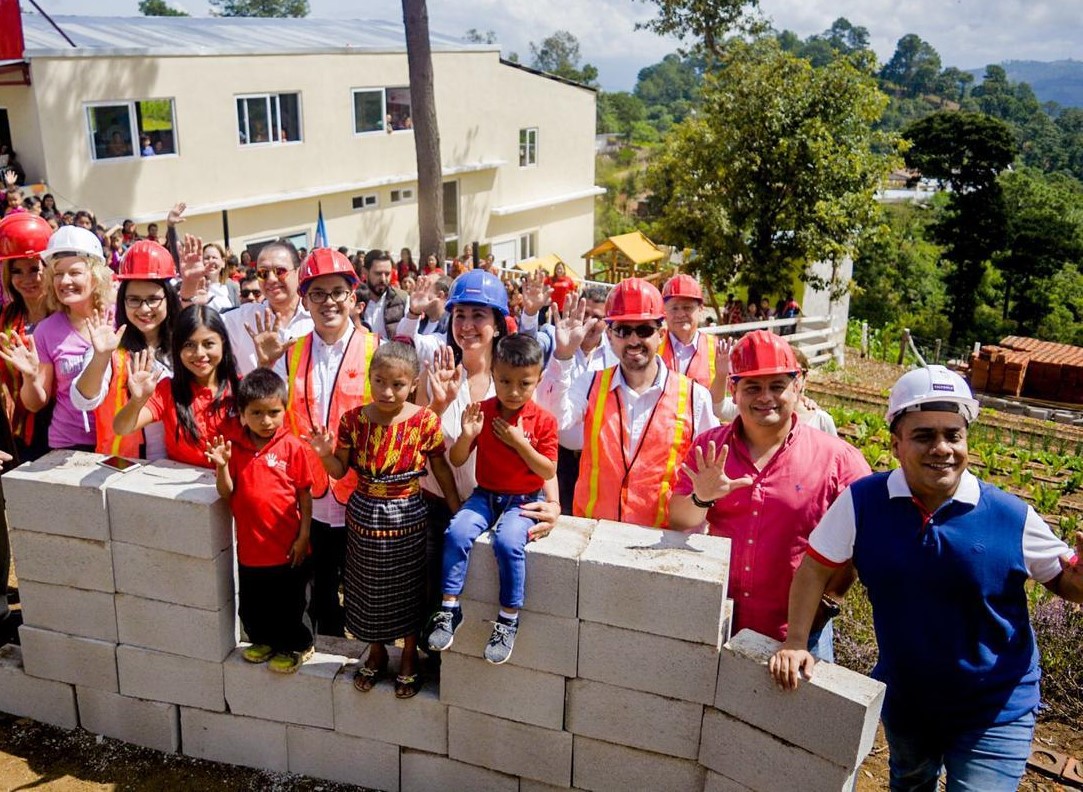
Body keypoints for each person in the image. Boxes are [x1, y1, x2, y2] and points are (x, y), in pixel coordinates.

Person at [769, 365, 1083, 792]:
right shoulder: (864, 503)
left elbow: (1067, 584)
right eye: (924, 436)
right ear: (896, 444)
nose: (942, 448)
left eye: (954, 435)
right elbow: (815, 568)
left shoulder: (1009, 516)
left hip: (995, 705)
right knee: (910, 782)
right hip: (908, 698)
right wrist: (796, 641)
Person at [668, 330, 869, 657]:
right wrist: (701, 498)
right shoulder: (710, 447)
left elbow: (861, 545)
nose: (765, 397)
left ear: (797, 385)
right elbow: (679, 520)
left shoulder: (839, 460)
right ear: (733, 390)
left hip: (802, 636)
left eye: (777, 386)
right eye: (753, 387)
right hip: (721, 623)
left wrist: (828, 604)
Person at [397, 270, 562, 644]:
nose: (467, 326)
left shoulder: (517, 379)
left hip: (496, 508)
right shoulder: (436, 374)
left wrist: (552, 504)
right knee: (429, 609)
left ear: (498, 323)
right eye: (460, 315)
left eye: (478, 316)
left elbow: (539, 444)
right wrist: (436, 406)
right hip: (438, 509)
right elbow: (416, 446)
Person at [308, 342, 459, 698]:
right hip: (363, 514)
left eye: (398, 384)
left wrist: (456, 508)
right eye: (379, 381)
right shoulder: (353, 420)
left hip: (408, 513)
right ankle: (375, 652)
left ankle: (408, 655)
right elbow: (339, 469)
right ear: (370, 380)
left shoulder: (424, 421)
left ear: (413, 383)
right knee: (367, 589)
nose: (387, 391)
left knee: (408, 589)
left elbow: (440, 466)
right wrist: (322, 452)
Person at [252, 248, 379, 639]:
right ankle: (325, 660)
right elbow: (269, 411)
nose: (329, 302)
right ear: (305, 300)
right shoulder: (291, 351)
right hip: (309, 495)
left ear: (352, 297)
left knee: (363, 592)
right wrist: (263, 363)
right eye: (318, 294)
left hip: (359, 493)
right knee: (319, 591)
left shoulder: (376, 348)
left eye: (337, 291)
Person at [538, 278, 717, 527]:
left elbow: (709, 471)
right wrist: (563, 357)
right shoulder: (590, 383)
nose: (633, 341)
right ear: (610, 335)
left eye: (644, 330)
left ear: (661, 334)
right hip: (594, 536)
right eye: (623, 330)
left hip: (659, 546)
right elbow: (550, 418)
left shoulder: (695, 398)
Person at [428, 334, 558, 664]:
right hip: (485, 495)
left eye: (523, 384)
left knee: (508, 543)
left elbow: (547, 469)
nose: (513, 392)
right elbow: (457, 459)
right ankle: (449, 608)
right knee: (457, 531)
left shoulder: (543, 420)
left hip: (523, 500)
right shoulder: (482, 411)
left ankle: (508, 618)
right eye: (504, 381)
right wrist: (467, 435)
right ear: (494, 375)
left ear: (538, 380)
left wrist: (521, 444)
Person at [205, 368, 314, 674]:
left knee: (289, 603)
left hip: (287, 547)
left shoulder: (292, 446)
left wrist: (304, 535)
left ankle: (295, 646)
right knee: (254, 603)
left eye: (273, 413)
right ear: (241, 414)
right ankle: (264, 640)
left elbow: (305, 494)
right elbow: (227, 493)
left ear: (284, 410)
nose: (266, 421)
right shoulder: (234, 447)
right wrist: (222, 467)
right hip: (252, 548)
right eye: (256, 413)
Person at [0, 226, 113, 451]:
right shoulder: (46, 331)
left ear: (95, 275)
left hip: (118, 439)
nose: (64, 281)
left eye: (74, 272)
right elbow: (35, 403)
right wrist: (30, 377)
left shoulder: (120, 316)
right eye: (58, 274)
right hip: (68, 443)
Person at [72, 240, 180, 460]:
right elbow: (83, 400)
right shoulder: (108, 349)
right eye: (134, 300)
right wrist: (101, 357)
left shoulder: (185, 347)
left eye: (153, 299)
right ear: (122, 302)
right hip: (125, 470)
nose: (144, 309)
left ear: (168, 299)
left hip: (181, 467)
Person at [521, 282, 616, 514]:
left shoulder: (615, 354)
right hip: (556, 456)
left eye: (598, 317)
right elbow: (526, 346)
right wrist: (531, 313)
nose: (591, 323)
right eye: (587, 315)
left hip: (598, 459)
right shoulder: (556, 339)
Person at [113, 305, 241, 468]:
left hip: (234, 488)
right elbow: (121, 428)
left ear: (223, 343)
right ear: (177, 348)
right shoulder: (167, 391)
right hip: (178, 490)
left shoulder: (240, 388)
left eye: (208, 344)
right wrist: (136, 401)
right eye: (189, 345)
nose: (200, 353)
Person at [192, 238, 311, 375]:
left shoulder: (318, 317)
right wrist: (190, 299)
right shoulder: (241, 320)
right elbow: (196, 332)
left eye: (280, 271)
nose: (271, 279)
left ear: (298, 271)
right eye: (263, 273)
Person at [0, 213, 55, 462]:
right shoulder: (6, 319)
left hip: (61, 429)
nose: (26, 279)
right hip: (18, 434)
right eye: (17, 271)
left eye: (34, 269)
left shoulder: (67, 316)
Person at [658, 274, 723, 393]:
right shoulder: (653, 345)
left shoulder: (717, 349)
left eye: (687, 307)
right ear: (664, 310)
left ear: (700, 308)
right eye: (674, 308)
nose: (681, 314)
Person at [361, 250, 408, 340]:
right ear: (365, 272)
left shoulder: (402, 299)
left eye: (387, 274)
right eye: (378, 273)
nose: (383, 279)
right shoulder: (353, 300)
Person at [200, 243, 240, 312]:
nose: (211, 261)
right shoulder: (196, 288)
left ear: (223, 262)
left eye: (214, 257)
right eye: (206, 258)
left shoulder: (232, 286)